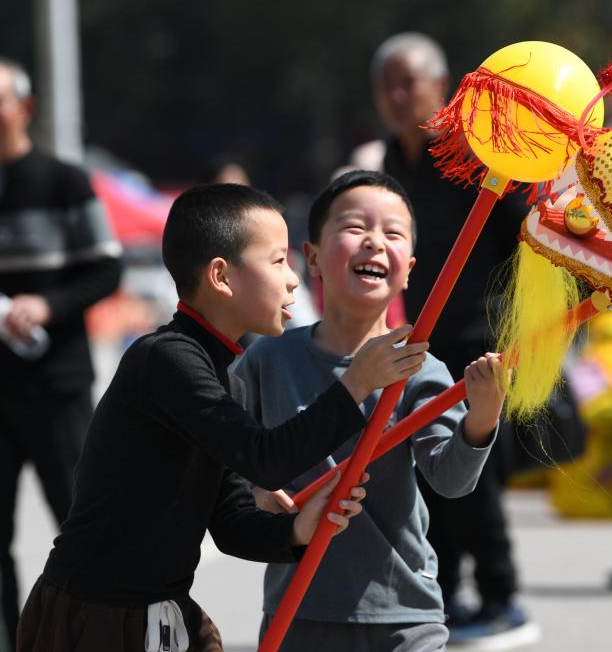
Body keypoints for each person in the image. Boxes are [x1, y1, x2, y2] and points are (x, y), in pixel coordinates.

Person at [16, 183, 427, 651]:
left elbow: (230, 520)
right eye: (278, 261)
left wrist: (297, 530)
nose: (292, 279)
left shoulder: (223, 379)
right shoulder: (166, 359)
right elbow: (265, 460)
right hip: (95, 615)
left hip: (161, 610)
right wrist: (355, 384)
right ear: (221, 276)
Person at [235, 170, 505, 651]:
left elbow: (449, 480)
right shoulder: (268, 359)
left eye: (393, 233)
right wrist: (254, 489)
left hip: (404, 613)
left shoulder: (420, 368)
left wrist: (481, 419)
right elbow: (224, 454)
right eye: (355, 227)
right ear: (312, 258)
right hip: (299, 608)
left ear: (409, 269)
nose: (375, 242)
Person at [370, 32, 539, 646]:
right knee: (428, 470)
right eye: (386, 85)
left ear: (440, 87)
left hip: (481, 336)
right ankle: (444, 596)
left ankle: (501, 598)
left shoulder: (476, 155)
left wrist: (523, 327)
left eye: (407, 82)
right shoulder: (389, 162)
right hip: (423, 341)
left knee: (476, 472)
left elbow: (528, 239)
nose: (396, 96)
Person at [0, 57, 122, 650]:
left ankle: (97, 637)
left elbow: (107, 269)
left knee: (82, 525)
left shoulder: (64, 181)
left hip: (57, 387)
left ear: (24, 108)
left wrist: (47, 305)